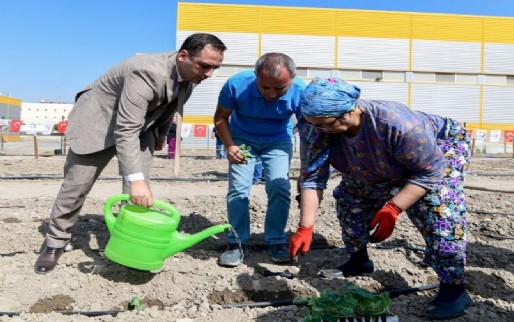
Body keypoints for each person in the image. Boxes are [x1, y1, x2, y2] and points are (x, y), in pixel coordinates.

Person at [34, 33, 227, 274]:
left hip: (140, 126)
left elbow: (170, 106)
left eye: (215, 68)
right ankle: (54, 244)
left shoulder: (191, 75)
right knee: (76, 188)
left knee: (138, 193)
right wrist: (134, 180)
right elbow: (125, 128)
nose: (209, 74)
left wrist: (161, 135)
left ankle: (129, 244)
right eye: (205, 66)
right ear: (183, 55)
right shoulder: (146, 71)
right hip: (98, 124)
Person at [289, 77, 473, 320]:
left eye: (324, 125)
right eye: (315, 125)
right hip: (375, 157)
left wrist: (394, 208)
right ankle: (358, 260)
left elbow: (430, 172)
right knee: (350, 199)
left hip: (437, 152)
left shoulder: (396, 124)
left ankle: (454, 288)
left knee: (439, 210)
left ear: (348, 113)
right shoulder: (315, 125)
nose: (320, 131)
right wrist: (305, 226)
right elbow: (312, 178)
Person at [214, 52, 306, 267]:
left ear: (291, 79)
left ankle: (275, 240)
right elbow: (220, 117)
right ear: (256, 76)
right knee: (238, 189)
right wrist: (230, 146)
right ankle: (237, 242)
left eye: (280, 88)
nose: (272, 94)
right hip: (242, 139)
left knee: (279, 188)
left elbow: (307, 129)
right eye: (265, 87)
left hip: (278, 141)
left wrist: (306, 168)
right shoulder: (236, 85)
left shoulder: (301, 91)